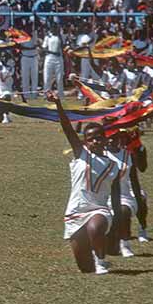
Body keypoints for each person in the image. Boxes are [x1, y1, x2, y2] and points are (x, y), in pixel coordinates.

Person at [48, 91, 120, 275]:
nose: (95, 141)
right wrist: (58, 104)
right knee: (85, 269)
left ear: (105, 139)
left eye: (98, 137)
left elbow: (116, 197)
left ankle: (101, 261)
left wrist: (116, 228)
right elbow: (67, 128)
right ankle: (93, 258)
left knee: (95, 227)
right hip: (75, 211)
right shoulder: (82, 155)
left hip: (99, 210)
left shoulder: (113, 165)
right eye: (90, 139)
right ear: (85, 142)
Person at [106, 129, 148, 257]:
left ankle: (127, 243)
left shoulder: (127, 155)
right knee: (110, 248)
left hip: (124, 195)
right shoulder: (98, 154)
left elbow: (137, 177)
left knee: (123, 211)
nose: (112, 140)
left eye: (115, 137)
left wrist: (139, 201)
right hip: (102, 197)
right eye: (109, 137)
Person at [42, 26, 64, 97]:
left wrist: (60, 36)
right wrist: (53, 52)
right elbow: (44, 48)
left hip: (58, 58)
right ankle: (46, 94)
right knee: (47, 77)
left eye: (56, 28)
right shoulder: (48, 36)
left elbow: (63, 46)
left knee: (59, 77)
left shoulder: (60, 36)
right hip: (49, 58)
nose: (55, 30)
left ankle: (60, 94)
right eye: (53, 28)